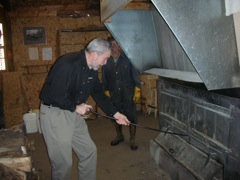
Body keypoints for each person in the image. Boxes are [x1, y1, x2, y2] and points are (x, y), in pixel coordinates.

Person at [39, 38, 130, 180]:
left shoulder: (92, 70)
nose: (105, 63)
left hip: (74, 113)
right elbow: (55, 94)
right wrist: (75, 107)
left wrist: (116, 114)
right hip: (56, 114)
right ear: (94, 54)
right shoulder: (67, 64)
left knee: (89, 151)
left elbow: (99, 94)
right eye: (105, 58)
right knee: (63, 164)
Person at [102, 37, 141, 151]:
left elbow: (135, 74)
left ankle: (132, 139)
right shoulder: (106, 60)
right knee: (115, 115)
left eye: (116, 43)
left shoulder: (127, 58)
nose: (114, 45)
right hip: (114, 93)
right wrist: (106, 91)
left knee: (131, 116)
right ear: (109, 46)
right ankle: (119, 136)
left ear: (119, 45)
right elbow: (104, 78)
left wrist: (137, 89)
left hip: (128, 93)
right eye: (111, 43)